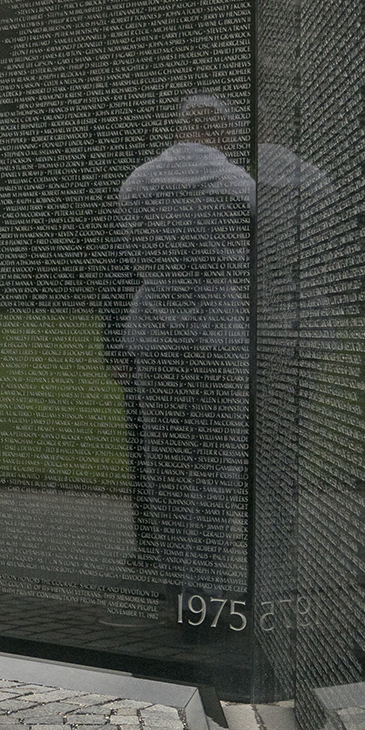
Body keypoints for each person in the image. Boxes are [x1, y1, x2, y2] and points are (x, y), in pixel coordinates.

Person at [104, 94, 253, 624]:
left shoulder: (138, 184)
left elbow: (128, 255)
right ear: (221, 132)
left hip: (156, 335)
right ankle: (205, 587)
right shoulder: (240, 186)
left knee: (165, 467)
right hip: (220, 333)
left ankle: (173, 586)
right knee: (217, 464)